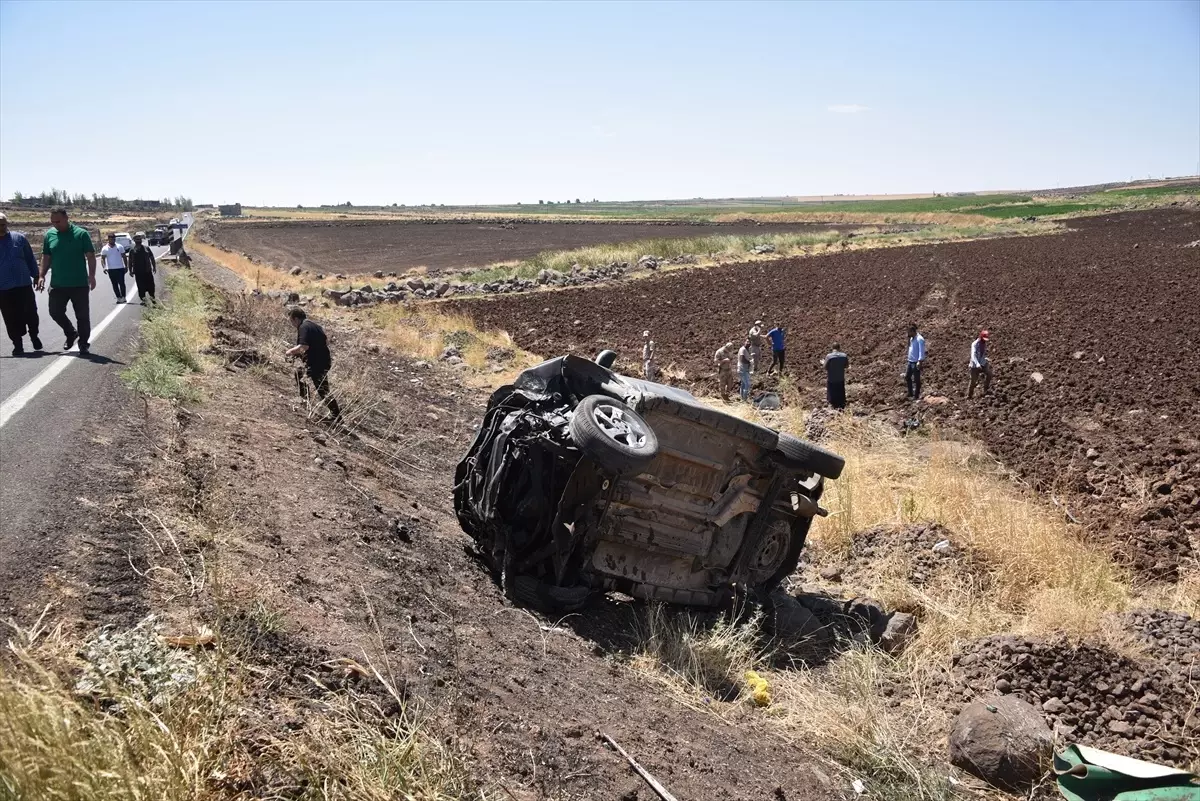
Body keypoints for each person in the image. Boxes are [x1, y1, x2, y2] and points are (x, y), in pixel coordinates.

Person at [37, 207, 96, 355]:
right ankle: (70, 332)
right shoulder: (49, 235)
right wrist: (42, 275)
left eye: (58, 221)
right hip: (58, 284)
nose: (55, 224)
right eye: (52, 222)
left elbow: (90, 255)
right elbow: (46, 256)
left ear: (66, 218)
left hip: (79, 284)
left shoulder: (81, 234)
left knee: (82, 316)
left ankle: (83, 343)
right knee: (55, 312)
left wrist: (92, 275)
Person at [285, 308, 342, 421]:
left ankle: (336, 416)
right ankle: (306, 401)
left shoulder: (303, 327)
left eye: (291, 321)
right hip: (323, 360)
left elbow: (304, 346)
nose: (292, 324)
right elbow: (325, 342)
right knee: (300, 374)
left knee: (322, 389)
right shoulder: (315, 326)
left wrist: (289, 352)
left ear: (296, 319)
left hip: (317, 362)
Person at [0, 212, 43, 356]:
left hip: (23, 284)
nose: (2, 227)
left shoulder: (19, 238)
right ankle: (17, 345)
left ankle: (34, 336)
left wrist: (36, 275)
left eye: (3, 224)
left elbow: (30, 258)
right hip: (4, 289)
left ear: (7, 224)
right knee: (10, 318)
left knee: (31, 313)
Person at [127, 232, 156, 304]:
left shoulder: (146, 248)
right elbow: (130, 262)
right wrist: (130, 270)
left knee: (151, 286)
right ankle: (143, 300)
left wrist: (154, 267)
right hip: (138, 272)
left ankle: (152, 298)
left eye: (139, 239)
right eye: (136, 239)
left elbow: (152, 258)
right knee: (140, 286)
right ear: (134, 240)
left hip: (147, 271)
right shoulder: (132, 250)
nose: (138, 240)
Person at [100, 233, 129, 302]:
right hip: (111, 269)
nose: (112, 240)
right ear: (108, 239)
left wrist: (126, 266)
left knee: (122, 283)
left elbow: (124, 257)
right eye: (111, 239)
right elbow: (102, 258)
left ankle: (123, 297)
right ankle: (118, 297)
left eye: (113, 239)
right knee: (114, 284)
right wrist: (104, 267)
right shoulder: (105, 248)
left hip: (120, 268)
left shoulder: (120, 247)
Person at [822, 343, 850, 409]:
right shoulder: (844, 356)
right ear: (839, 348)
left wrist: (823, 363)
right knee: (840, 390)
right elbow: (847, 366)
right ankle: (841, 403)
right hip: (840, 377)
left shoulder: (829, 356)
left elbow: (825, 367)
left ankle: (832, 404)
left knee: (832, 391)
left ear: (832, 348)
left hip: (832, 378)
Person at [968, 329, 993, 398]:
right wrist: (977, 364)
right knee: (973, 380)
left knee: (989, 374)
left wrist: (985, 359)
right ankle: (969, 395)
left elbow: (982, 354)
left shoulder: (984, 344)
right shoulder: (975, 344)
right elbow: (973, 356)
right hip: (974, 365)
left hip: (982, 363)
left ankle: (985, 390)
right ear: (980, 337)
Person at [905, 322, 926, 400]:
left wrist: (920, 361)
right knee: (907, 377)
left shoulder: (919, 339)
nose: (908, 333)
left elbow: (921, 351)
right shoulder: (911, 338)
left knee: (917, 380)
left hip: (916, 362)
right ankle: (910, 393)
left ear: (913, 331)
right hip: (910, 361)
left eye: (909, 331)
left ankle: (916, 395)